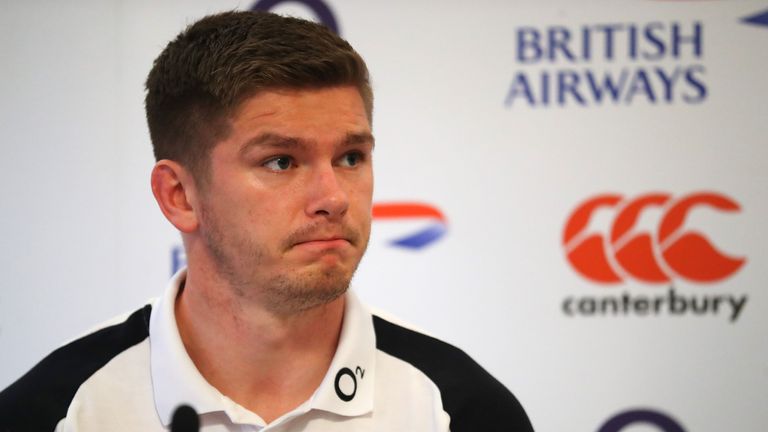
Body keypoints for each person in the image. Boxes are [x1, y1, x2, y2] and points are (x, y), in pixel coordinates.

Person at [0, 11, 534, 431]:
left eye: (351, 157)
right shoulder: (56, 413)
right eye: (281, 161)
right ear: (179, 195)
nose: (333, 197)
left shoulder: (461, 411)